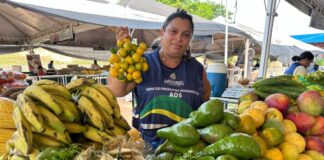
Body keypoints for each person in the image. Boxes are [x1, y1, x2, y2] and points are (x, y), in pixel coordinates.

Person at [108, 9, 211, 149]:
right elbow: (116, 90)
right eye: (173, 32)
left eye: (185, 35)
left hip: (187, 150)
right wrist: (123, 53)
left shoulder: (197, 69)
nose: (178, 38)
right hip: (148, 149)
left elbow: (205, 101)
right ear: (162, 33)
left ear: (190, 39)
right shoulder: (143, 63)